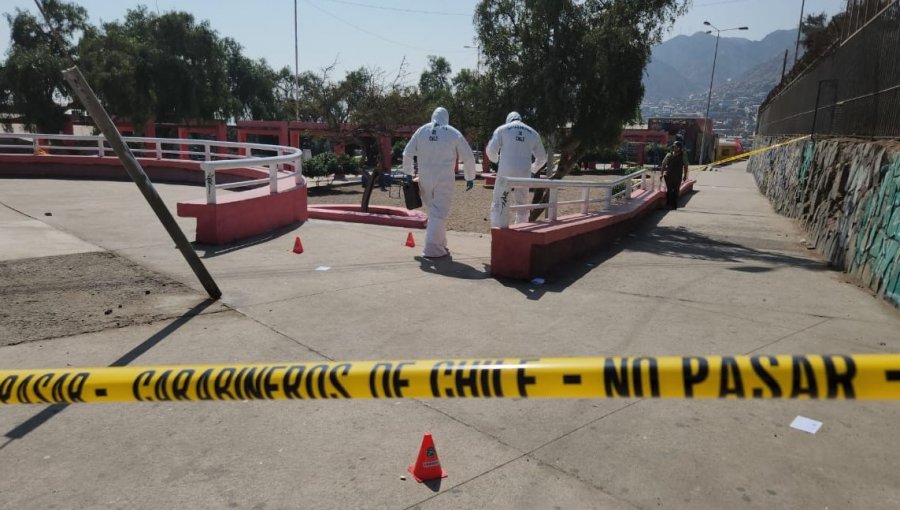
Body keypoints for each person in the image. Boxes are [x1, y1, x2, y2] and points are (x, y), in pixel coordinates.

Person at [402, 106, 476, 258]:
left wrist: (408, 173)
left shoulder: (422, 131)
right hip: (444, 177)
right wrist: (470, 177)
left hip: (424, 178)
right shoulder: (453, 132)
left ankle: (441, 244)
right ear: (446, 117)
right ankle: (432, 249)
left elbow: (407, 153)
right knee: (439, 213)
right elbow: (468, 157)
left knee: (434, 212)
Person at [486, 111, 548, 226]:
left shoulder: (502, 129)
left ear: (508, 120)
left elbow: (490, 150)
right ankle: (521, 228)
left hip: (505, 171)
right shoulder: (533, 133)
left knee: (499, 202)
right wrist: (533, 170)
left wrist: (496, 161)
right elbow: (543, 158)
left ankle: (498, 230)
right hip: (524, 172)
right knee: (522, 205)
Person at [660, 141, 689, 210]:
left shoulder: (683, 156)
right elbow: (663, 164)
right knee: (669, 190)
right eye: (674, 147)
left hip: (678, 176)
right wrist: (661, 174)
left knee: (676, 190)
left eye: (676, 147)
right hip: (668, 175)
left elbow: (686, 166)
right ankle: (668, 204)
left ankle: (674, 205)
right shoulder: (669, 155)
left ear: (680, 148)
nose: (675, 148)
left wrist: (685, 175)